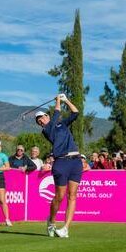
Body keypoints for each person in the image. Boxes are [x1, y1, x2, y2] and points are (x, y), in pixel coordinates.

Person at [35, 94, 82, 238]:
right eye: (39, 121)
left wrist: (66, 100)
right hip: (61, 162)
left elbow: (75, 113)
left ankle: (66, 228)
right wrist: (57, 101)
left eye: (42, 117)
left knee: (72, 196)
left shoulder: (62, 124)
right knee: (59, 196)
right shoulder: (47, 130)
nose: (41, 121)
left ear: (46, 116)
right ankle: (51, 221)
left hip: (76, 161)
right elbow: (56, 113)